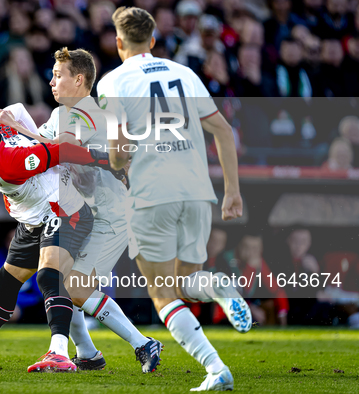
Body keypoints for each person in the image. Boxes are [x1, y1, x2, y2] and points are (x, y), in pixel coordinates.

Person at [99, 7, 251, 391]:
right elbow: (223, 129)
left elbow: (117, 152)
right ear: (153, 40)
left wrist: (118, 159)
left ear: (119, 42)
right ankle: (216, 286)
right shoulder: (185, 73)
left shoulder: (113, 82)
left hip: (152, 194)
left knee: (163, 291)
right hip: (198, 191)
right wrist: (231, 191)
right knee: (185, 282)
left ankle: (215, 368)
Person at [0, 47, 162, 373]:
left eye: (59, 75)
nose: (52, 81)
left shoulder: (86, 113)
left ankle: (142, 343)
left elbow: (61, 149)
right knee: (62, 281)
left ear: (79, 79)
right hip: (87, 213)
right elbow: (36, 148)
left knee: (74, 286)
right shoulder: (60, 115)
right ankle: (87, 353)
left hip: (111, 215)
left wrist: (16, 125)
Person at [0, 107, 121, 372]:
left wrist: (107, 162)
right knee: (5, 283)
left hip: (62, 209)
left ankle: (59, 353)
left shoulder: (9, 164)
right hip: (34, 216)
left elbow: (62, 151)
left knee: (50, 276)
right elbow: (12, 110)